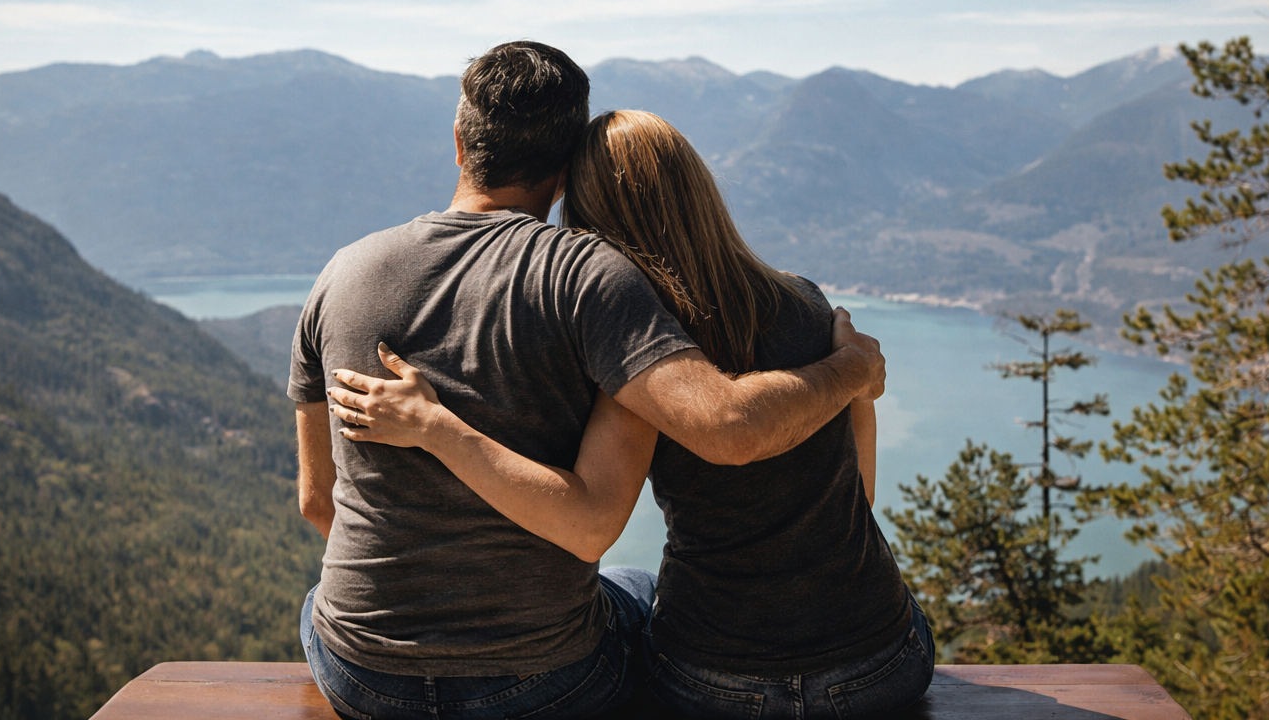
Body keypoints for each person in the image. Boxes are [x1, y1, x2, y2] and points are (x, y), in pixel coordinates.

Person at [292, 43, 887, 720]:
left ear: (459, 144)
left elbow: (319, 503)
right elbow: (682, 459)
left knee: (319, 602)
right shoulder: (589, 278)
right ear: (567, 167)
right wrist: (853, 368)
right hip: (542, 683)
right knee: (631, 588)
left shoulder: (339, 274)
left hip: (365, 675)